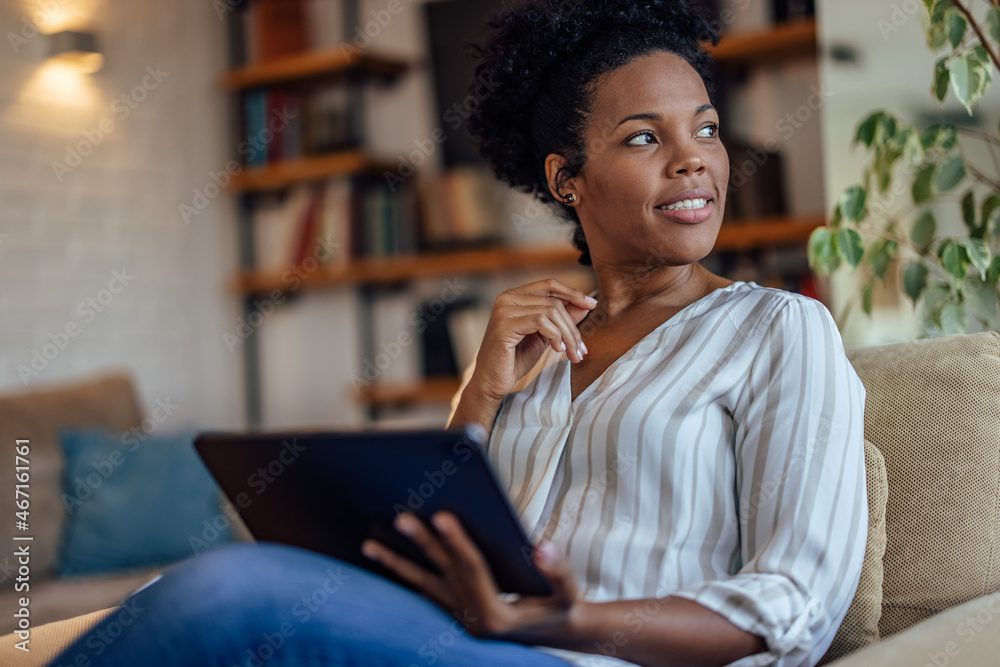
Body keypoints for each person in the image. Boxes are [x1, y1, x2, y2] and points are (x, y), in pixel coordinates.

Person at [50, 1, 866, 666]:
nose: (695, 161)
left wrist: (569, 620)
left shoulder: (779, 328)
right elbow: (438, 537)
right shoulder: (536, 350)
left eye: (708, 128)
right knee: (186, 590)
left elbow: (795, 602)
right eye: (645, 137)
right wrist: (480, 390)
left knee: (225, 593)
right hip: (468, 648)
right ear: (566, 179)